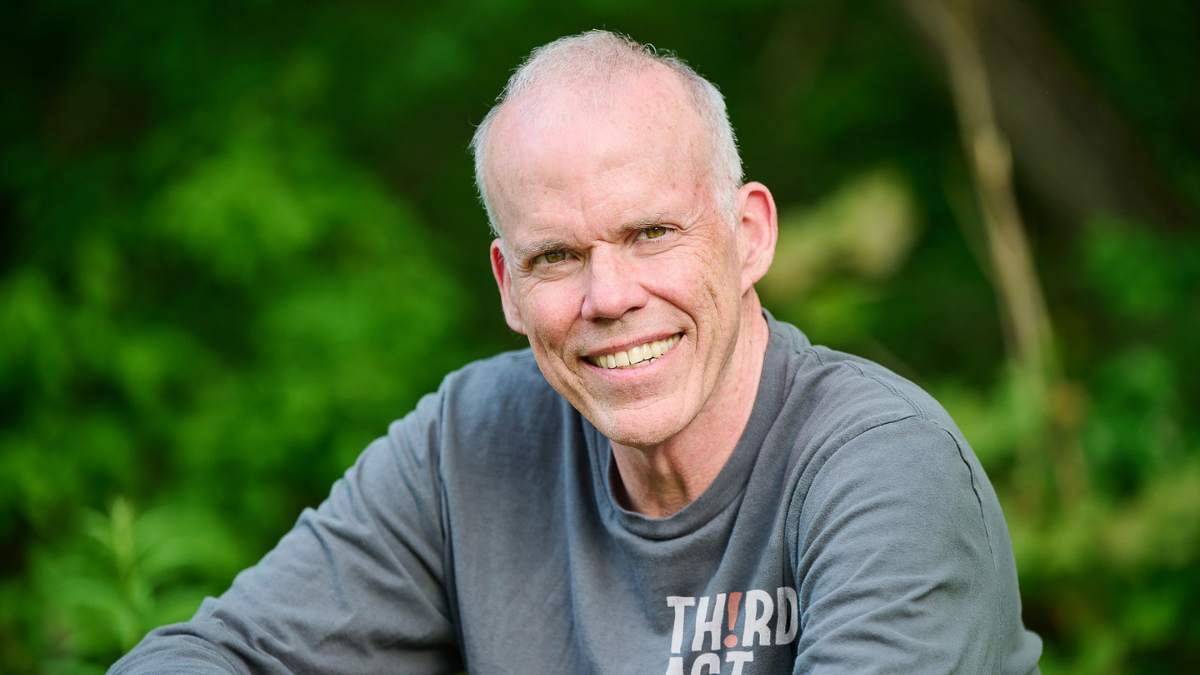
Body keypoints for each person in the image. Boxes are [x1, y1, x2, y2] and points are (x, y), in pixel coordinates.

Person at [110, 30, 1042, 674]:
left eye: (651, 233)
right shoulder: (471, 444)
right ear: (508, 285)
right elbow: (220, 654)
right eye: (556, 255)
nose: (609, 298)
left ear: (749, 233)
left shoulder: (883, 468)